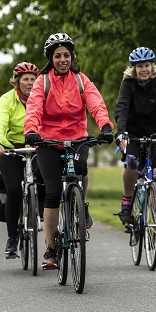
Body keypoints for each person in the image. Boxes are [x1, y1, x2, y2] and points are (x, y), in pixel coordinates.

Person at [24, 32, 114, 270]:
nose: (62, 59)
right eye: (57, 56)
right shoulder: (42, 82)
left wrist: (105, 125)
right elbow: (33, 108)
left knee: (81, 168)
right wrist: (32, 130)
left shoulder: (81, 80)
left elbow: (96, 103)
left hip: (77, 138)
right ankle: (51, 249)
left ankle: (81, 204)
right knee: (52, 192)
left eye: (66, 55)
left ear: (71, 57)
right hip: (47, 141)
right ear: (51, 59)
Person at [114, 46, 156, 250]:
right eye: (139, 66)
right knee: (131, 165)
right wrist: (121, 133)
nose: (144, 69)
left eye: (147, 65)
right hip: (132, 134)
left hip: (154, 134)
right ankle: (127, 201)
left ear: (152, 66)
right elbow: (121, 108)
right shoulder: (127, 83)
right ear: (133, 68)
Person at [0, 61, 45, 259]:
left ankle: (41, 216)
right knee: (13, 189)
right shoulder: (7, 100)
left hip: (38, 148)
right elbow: (0, 123)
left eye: (33, 79)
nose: (30, 83)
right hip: (11, 149)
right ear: (17, 82)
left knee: (45, 182)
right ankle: (12, 238)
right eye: (26, 79)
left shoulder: (43, 97)